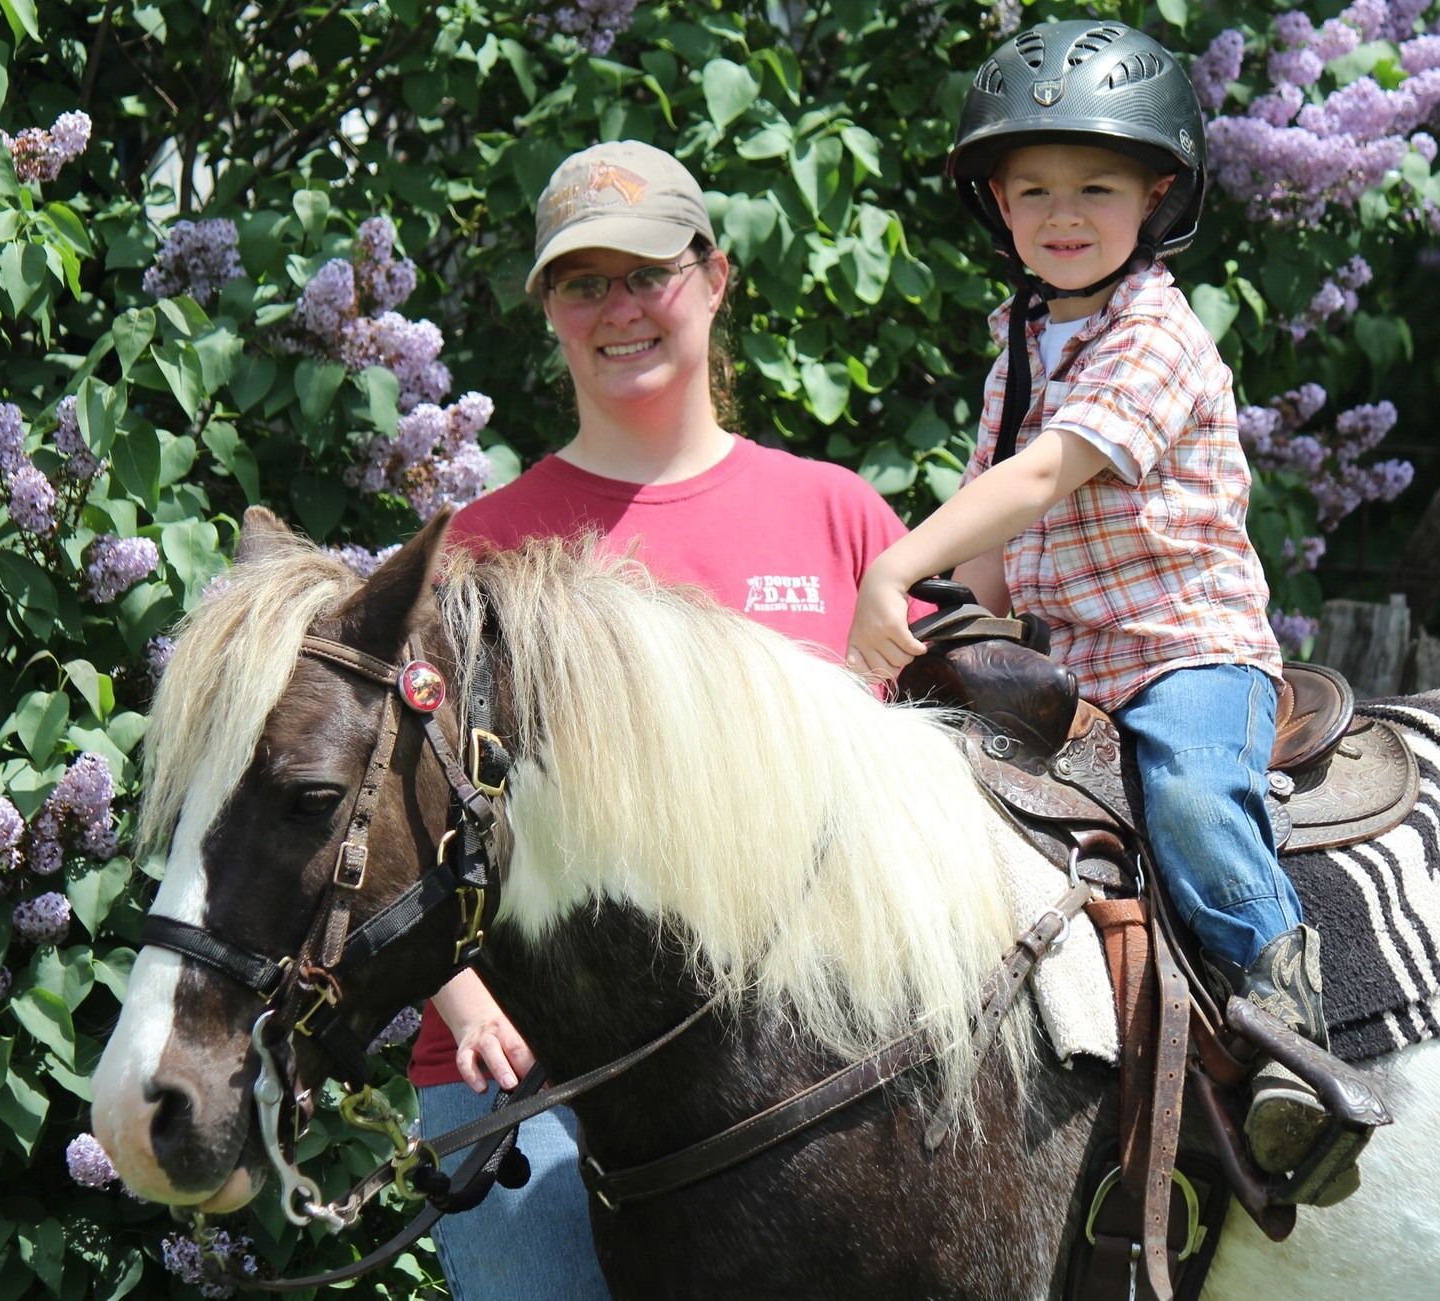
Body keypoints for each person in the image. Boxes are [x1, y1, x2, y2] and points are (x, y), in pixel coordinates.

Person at [408, 139, 917, 1299]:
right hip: (529, 1067)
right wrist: (462, 992)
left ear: (714, 277)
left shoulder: (837, 518)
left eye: (647, 272)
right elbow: (392, 803)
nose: (619, 309)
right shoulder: (481, 549)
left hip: (812, 1062)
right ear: (547, 310)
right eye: (583, 282)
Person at [844, 20, 1332, 1182]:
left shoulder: (1155, 333)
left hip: (1180, 652)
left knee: (1189, 793)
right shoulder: (1020, 341)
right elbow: (996, 517)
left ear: (1158, 196)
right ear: (997, 206)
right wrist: (964, 626)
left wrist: (892, 569)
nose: (1063, 215)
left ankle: (1282, 1006)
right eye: (1035, 190)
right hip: (1072, 662)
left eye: (1096, 188)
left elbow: (1046, 473)